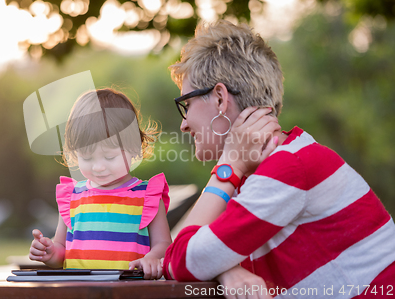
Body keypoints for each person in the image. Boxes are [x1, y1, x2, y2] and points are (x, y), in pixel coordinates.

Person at [163, 20, 395, 298]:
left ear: (220, 99)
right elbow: (187, 250)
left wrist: (229, 166)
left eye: (186, 105)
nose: (184, 124)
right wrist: (226, 266)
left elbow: (178, 259)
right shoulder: (260, 173)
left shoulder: (289, 168)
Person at [29, 88, 172, 280]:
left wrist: (153, 257)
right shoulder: (72, 197)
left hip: (131, 290)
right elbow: (62, 249)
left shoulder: (147, 195)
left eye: (109, 156)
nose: (98, 167)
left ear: (134, 148)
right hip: (79, 292)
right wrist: (50, 253)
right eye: (87, 157)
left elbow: (164, 244)